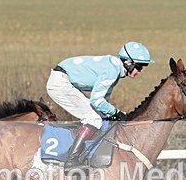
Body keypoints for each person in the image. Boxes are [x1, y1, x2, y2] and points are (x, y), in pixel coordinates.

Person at [46, 41, 153, 169]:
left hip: (62, 80)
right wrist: (117, 113)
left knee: (99, 118)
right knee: (94, 119)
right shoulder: (112, 70)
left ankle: (82, 153)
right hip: (60, 83)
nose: (140, 71)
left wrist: (117, 115)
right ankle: (71, 160)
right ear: (129, 63)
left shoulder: (114, 69)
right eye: (139, 67)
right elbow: (96, 101)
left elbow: (103, 104)